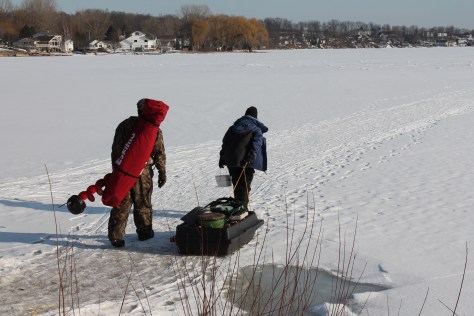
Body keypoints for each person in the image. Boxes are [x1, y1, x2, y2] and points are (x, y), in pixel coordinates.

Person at [108, 99, 167, 247]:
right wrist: (162, 172)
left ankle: (116, 236)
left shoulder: (124, 125)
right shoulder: (153, 129)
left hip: (124, 171)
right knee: (143, 202)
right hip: (144, 171)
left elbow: (115, 149)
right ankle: (145, 232)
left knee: (121, 202)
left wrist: (117, 170)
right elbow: (159, 152)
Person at [219, 106, 268, 209]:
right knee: (244, 186)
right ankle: (242, 211)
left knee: (237, 185)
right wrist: (251, 156)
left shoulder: (232, 128)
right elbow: (257, 144)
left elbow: (225, 143)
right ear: (255, 116)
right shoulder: (255, 128)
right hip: (245, 162)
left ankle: (238, 207)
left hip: (231, 161)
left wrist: (222, 158)